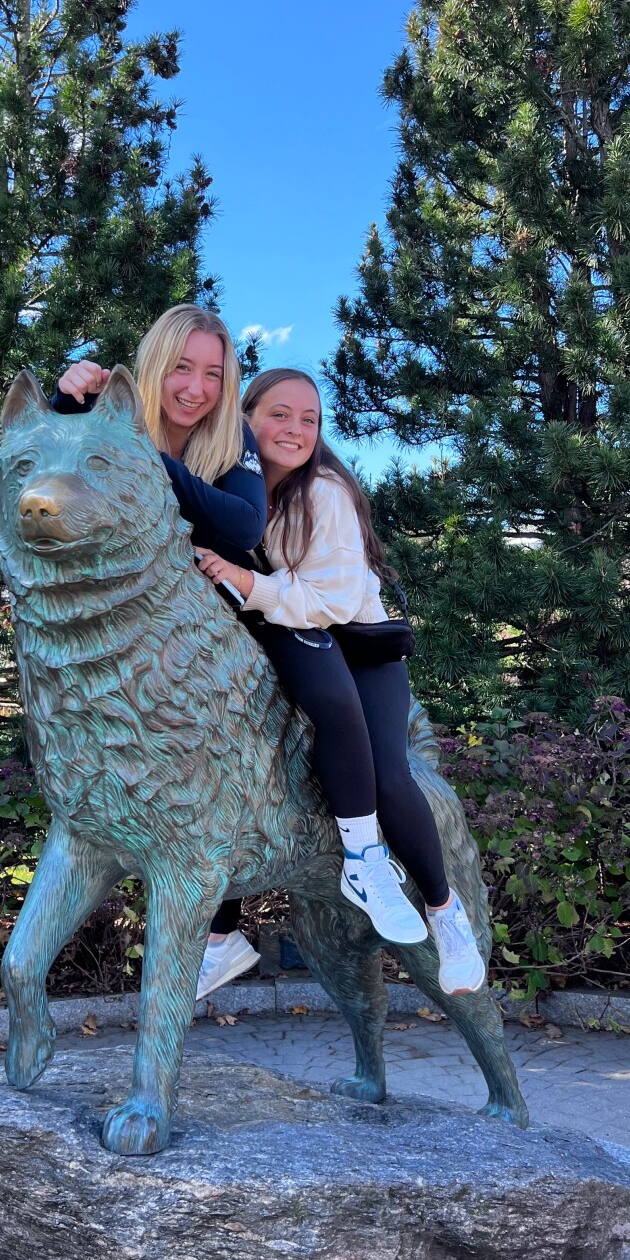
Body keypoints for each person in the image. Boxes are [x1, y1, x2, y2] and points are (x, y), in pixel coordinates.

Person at [195, 367, 486, 999]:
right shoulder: (231, 486)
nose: (295, 429)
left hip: (358, 647)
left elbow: (334, 601)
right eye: (279, 414)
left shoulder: (323, 491)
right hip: (289, 638)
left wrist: (247, 583)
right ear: (245, 419)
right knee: (241, 766)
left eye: (309, 419)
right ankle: (220, 938)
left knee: (386, 774)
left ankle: (444, 911)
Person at [52, 305, 268, 996]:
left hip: (211, 625)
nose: (196, 389)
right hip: (121, 630)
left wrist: (146, 458)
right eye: (181, 368)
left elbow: (244, 523)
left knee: (220, 742)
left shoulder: (230, 435)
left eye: (213, 374)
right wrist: (66, 400)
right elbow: (53, 475)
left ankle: (220, 932)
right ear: (154, 364)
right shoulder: (109, 414)